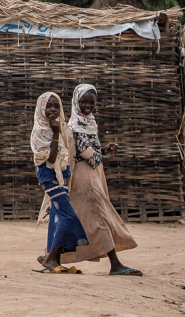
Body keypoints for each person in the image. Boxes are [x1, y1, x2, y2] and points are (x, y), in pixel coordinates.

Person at [62, 84, 142, 275]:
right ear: (76, 102)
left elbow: (91, 149)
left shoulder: (88, 122)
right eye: (84, 102)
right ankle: (115, 264)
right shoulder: (76, 125)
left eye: (91, 102)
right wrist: (104, 158)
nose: (88, 105)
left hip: (92, 173)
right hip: (85, 175)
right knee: (99, 215)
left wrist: (103, 150)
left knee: (83, 217)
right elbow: (85, 152)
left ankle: (52, 257)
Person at [30, 92, 88, 274]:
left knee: (57, 217)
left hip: (61, 175)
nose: (53, 110)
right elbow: (51, 157)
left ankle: (53, 258)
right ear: (41, 108)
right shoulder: (40, 130)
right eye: (49, 106)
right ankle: (50, 259)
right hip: (49, 176)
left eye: (56, 106)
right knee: (67, 216)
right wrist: (55, 134)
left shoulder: (60, 128)